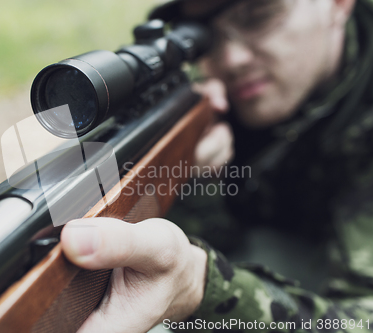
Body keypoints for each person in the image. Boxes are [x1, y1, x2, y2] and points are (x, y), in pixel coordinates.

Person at [60, 0, 373, 331]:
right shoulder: (209, 97)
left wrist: (201, 289)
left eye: (259, 16)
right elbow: (220, 236)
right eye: (206, 34)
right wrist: (193, 180)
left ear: (338, 4)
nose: (231, 59)